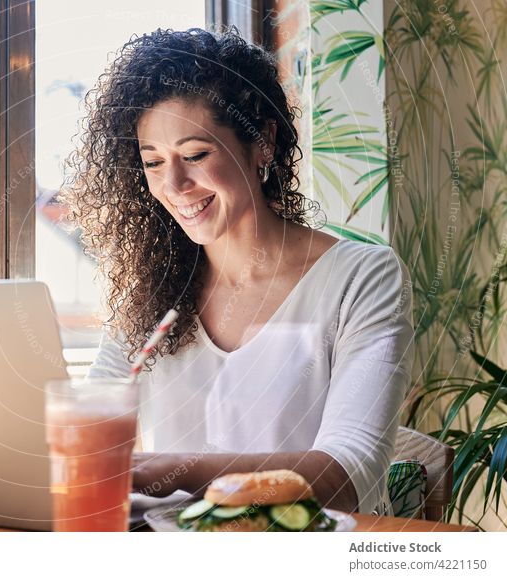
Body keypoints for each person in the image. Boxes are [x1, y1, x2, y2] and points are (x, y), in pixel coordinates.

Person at [60, 27, 414, 514]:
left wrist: (164, 471)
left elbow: (349, 470)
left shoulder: (362, 279)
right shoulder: (152, 293)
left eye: (196, 155)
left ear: (262, 142)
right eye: (153, 162)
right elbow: (91, 425)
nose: (175, 184)